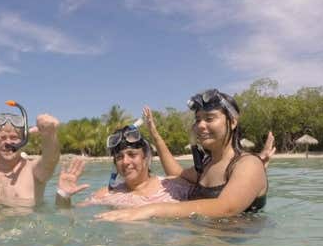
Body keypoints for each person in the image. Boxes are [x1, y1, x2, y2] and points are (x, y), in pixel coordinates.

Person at [97, 89, 268, 221]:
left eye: (209, 119)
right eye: (198, 119)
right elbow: (176, 174)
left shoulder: (248, 164)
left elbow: (226, 208)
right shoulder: (207, 165)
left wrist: (152, 209)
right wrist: (154, 134)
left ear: (233, 121)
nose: (200, 125)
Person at [55, 125, 192, 208]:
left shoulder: (172, 187)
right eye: (119, 157)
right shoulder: (106, 194)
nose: (125, 162)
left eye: (132, 154)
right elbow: (68, 214)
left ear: (146, 157)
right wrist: (63, 195)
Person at [0, 109, 60, 207]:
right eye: (2, 138)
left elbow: (50, 160)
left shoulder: (33, 170)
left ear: (23, 141)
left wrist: (49, 134)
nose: (8, 143)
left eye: (14, 137)